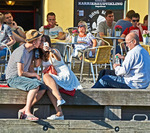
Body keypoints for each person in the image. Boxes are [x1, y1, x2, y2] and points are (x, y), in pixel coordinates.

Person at [35, 35, 82, 120]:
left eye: (43, 41)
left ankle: (59, 98)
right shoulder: (40, 55)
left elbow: (59, 58)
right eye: (40, 41)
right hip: (54, 77)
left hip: (63, 74)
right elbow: (37, 65)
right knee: (49, 88)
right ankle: (59, 113)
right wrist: (36, 51)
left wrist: (50, 50)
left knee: (46, 77)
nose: (41, 43)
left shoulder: (53, 51)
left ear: (47, 42)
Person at [5, 29, 47, 121]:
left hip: (22, 76)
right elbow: (20, 73)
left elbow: (33, 65)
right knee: (35, 86)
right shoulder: (21, 51)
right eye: (39, 40)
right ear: (34, 41)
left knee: (43, 87)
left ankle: (24, 109)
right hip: (13, 78)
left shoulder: (31, 51)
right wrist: (34, 75)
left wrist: (40, 50)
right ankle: (27, 112)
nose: (41, 42)